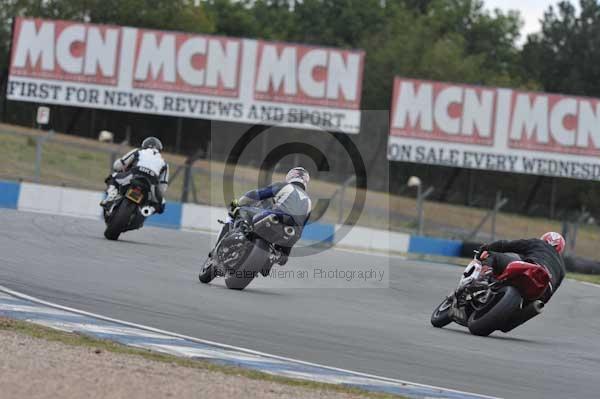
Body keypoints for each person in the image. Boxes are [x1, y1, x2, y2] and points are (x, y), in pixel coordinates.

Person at [212, 167, 312, 266]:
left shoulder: (284, 186)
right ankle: (270, 259)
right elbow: (300, 229)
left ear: (291, 176)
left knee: (239, 209)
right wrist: (285, 253)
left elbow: (257, 194)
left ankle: (233, 237)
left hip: (275, 217)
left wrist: (240, 202)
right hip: (291, 233)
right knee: (282, 255)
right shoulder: (309, 202)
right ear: (306, 181)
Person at [479, 232, 566, 303]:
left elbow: (507, 245)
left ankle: (482, 279)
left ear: (544, 239)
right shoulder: (562, 268)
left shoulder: (538, 243)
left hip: (532, 268)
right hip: (544, 291)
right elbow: (550, 294)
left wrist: (487, 247)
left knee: (491, 255)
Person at [100, 137, 169, 214]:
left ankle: (111, 197)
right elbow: (163, 187)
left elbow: (119, 165)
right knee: (161, 203)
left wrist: (118, 169)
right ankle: (148, 210)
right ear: (160, 149)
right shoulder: (164, 164)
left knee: (113, 177)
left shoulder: (138, 151)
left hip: (134, 174)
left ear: (144, 145)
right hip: (151, 183)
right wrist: (156, 196)